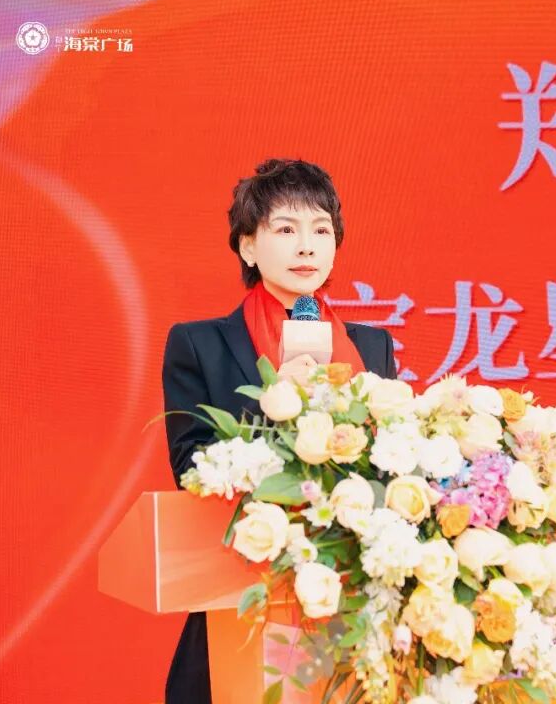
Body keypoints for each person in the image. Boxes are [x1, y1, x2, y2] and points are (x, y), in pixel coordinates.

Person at [160, 158, 398, 703]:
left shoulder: (372, 347)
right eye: (286, 230)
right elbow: (190, 468)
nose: (306, 247)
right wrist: (274, 412)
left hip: (355, 599)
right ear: (248, 247)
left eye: (321, 230)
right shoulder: (201, 345)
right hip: (245, 594)